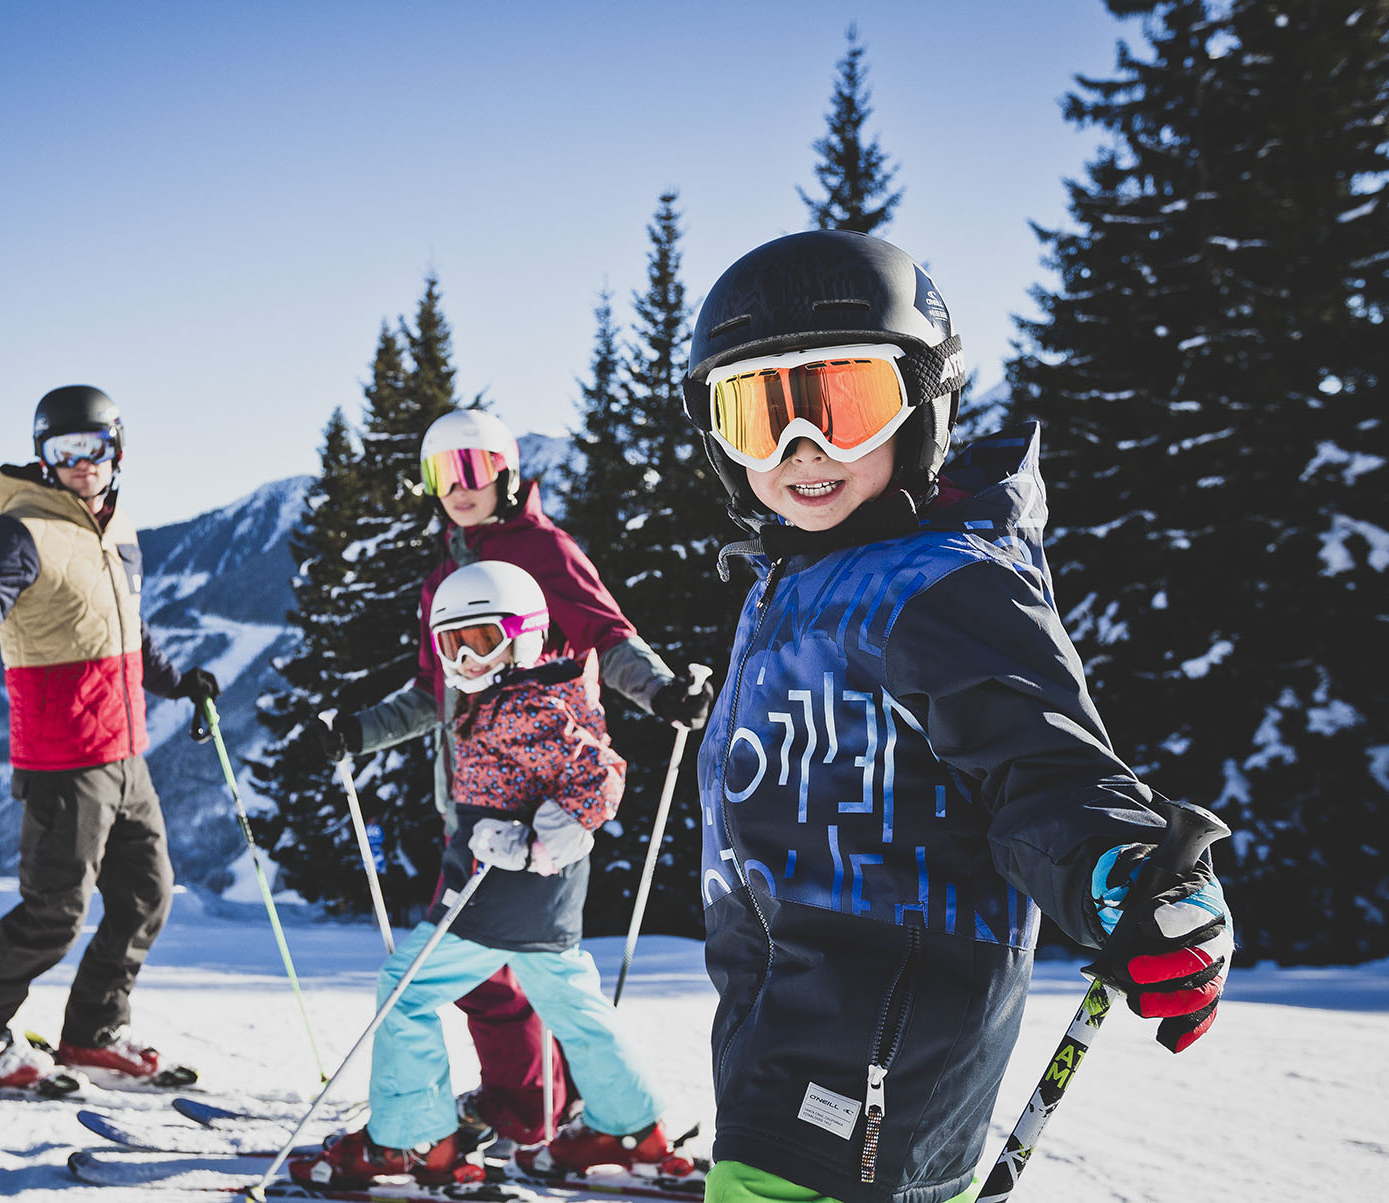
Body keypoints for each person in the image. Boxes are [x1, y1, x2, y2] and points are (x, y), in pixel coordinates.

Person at [682, 230, 1233, 1203]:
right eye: (759, 415)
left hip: (883, 1021)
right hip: (781, 1015)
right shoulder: (790, 585)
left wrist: (1117, 870)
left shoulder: (940, 584)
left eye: (844, 406)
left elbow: (1044, 768)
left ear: (923, 405)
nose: (802, 452)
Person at [314, 409, 714, 1148]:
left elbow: (608, 633)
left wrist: (662, 692)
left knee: (460, 975)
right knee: (533, 979)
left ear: (504, 470)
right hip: (473, 804)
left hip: (538, 811)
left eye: (473, 468)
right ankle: (562, 1111)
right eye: (443, 473)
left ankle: (489, 1116)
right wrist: (361, 730)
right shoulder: (448, 570)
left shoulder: (541, 549)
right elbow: (435, 691)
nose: (459, 487)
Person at [293, 561, 684, 1187]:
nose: (466, 659)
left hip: (493, 899)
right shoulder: (504, 695)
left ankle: (411, 1139)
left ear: (523, 635)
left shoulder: (528, 706)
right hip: (543, 907)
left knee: (404, 993)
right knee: (576, 1009)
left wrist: (536, 842)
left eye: (481, 640)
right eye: (452, 643)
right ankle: (630, 1126)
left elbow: (601, 775)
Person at [0, 384, 221, 1093]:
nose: (80, 464)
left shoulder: (119, 528)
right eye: (63, 450)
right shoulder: (21, 530)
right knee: (55, 912)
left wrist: (176, 682)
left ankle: (94, 1030)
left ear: (117, 451)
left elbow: (124, 628)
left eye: (93, 448)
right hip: (64, 759)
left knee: (148, 894)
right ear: (42, 457)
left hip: (126, 750)